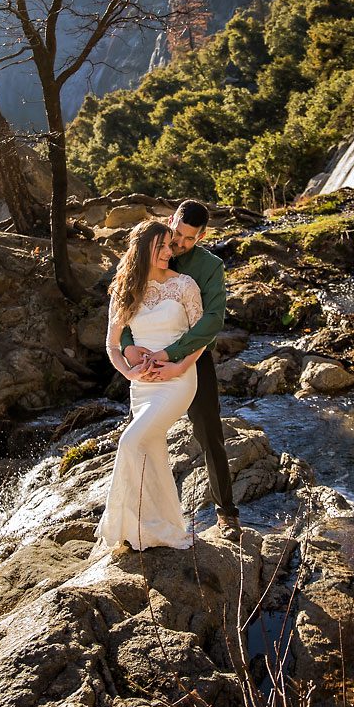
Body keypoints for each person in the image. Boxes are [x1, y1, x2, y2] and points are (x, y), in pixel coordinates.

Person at [121, 200, 242, 542]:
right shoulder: (150, 245)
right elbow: (123, 301)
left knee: (208, 431)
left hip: (191, 356)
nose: (180, 243)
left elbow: (212, 320)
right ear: (171, 220)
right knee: (142, 436)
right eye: (178, 234)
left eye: (190, 239)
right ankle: (142, 518)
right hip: (144, 357)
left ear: (202, 236)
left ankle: (226, 513)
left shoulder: (209, 266)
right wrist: (129, 346)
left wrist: (174, 355)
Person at [95, 221, 205, 554]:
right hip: (142, 386)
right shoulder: (125, 288)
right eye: (162, 247)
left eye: (170, 246)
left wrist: (179, 365)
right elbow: (112, 344)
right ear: (143, 249)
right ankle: (160, 527)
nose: (169, 253)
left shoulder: (185, 285)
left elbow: (200, 338)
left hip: (178, 379)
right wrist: (129, 374)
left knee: (130, 441)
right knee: (150, 451)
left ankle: (123, 524)